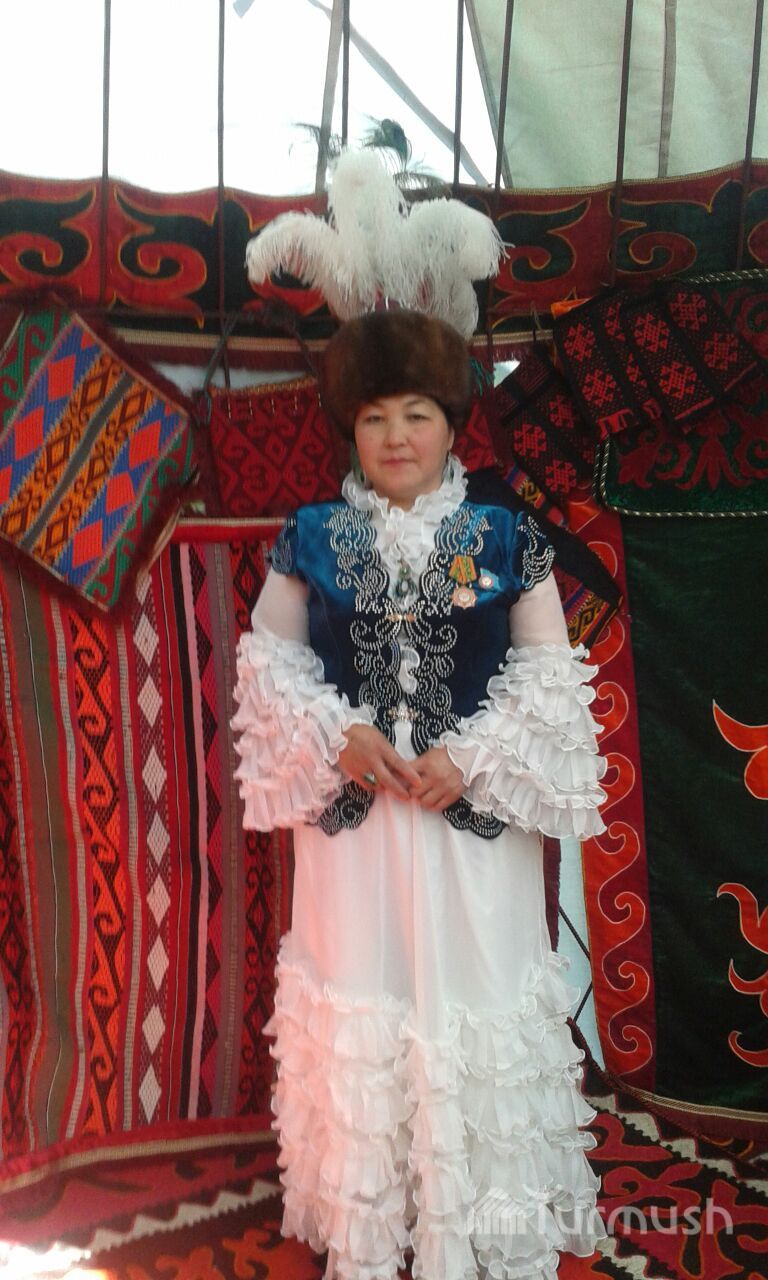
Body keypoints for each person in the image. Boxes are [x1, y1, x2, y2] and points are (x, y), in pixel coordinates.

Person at [232, 309, 608, 1280]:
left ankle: (483, 1215)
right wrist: (339, 736)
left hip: (468, 827)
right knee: (364, 983)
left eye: (416, 413)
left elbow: (550, 672)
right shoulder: (311, 537)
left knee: (477, 989)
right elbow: (266, 664)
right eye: (374, 417)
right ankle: (374, 1212)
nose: (395, 435)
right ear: (350, 430)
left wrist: (472, 757)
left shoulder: (508, 536)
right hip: (355, 830)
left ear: (452, 423)